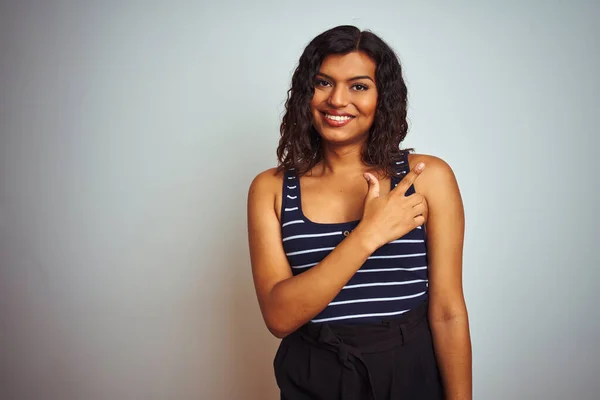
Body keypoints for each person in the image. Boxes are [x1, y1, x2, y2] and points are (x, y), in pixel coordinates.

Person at [247, 25, 471, 400]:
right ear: (306, 92)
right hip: (314, 375)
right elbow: (279, 317)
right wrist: (369, 233)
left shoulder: (426, 178)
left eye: (359, 86)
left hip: (409, 371)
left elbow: (448, 311)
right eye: (323, 82)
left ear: (382, 97)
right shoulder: (271, 189)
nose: (337, 100)